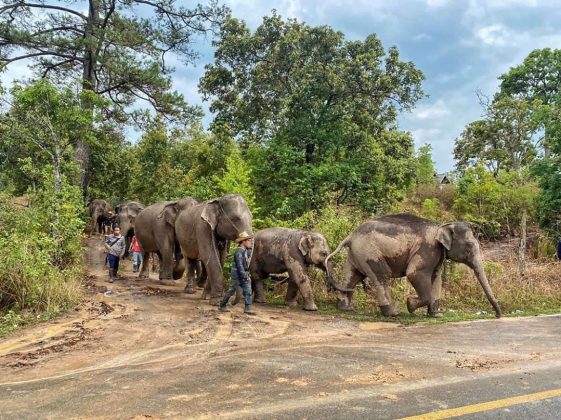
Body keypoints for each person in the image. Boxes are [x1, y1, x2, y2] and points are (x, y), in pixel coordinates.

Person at [219, 231, 255, 314]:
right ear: (243, 242)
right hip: (237, 275)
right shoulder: (239, 251)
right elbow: (239, 265)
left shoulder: (245, 251)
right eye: (248, 241)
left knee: (248, 290)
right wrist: (245, 275)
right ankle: (222, 305)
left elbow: (246, 262)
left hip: (244, 274)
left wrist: (246, 275)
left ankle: (248, 308)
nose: (250, 242)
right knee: (232, 290)